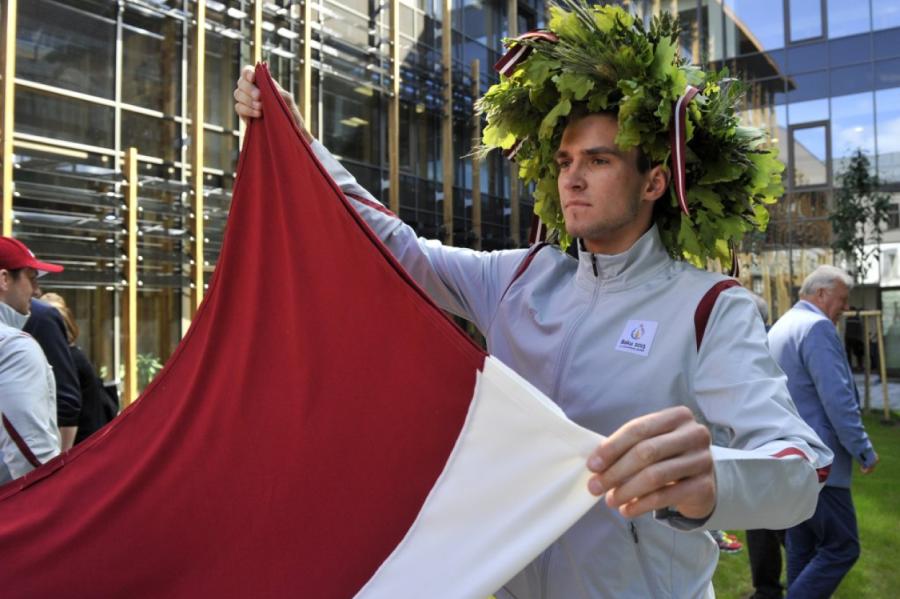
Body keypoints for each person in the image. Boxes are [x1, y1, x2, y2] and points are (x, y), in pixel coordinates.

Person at [235, 4, 831, 596]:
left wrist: (713, 479)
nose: (572, 177)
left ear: (654, 182)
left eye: (599, 160)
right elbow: (400, 247)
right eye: (567, 161)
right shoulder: (518, 278)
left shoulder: (709, 306)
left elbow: (800, 470)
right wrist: (301, 144)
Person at [768, 265, 878, 598]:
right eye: (843, 299)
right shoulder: (817, 327)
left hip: (789, 460)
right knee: (843, 546)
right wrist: (863, 449)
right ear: (821, 293)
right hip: (821, 462)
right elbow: (838, 399)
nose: (845, 308)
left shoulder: (781, 326)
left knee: (803, 548)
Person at [0, 236, 63, 482]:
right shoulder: (14, 348)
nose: (36, 291)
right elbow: (32, 455)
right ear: (4, 279)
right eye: (31, 278)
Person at [40, 293, 118, 444]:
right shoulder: (74, 355)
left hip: (82, 444)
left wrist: (61, 458)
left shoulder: (68, 359)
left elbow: (68, 409)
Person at [24, 278, 81, 450]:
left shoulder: (40, 318)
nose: (36, 291)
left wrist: (58, 468)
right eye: (31, 279)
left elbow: (67, 403)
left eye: (34, 278)